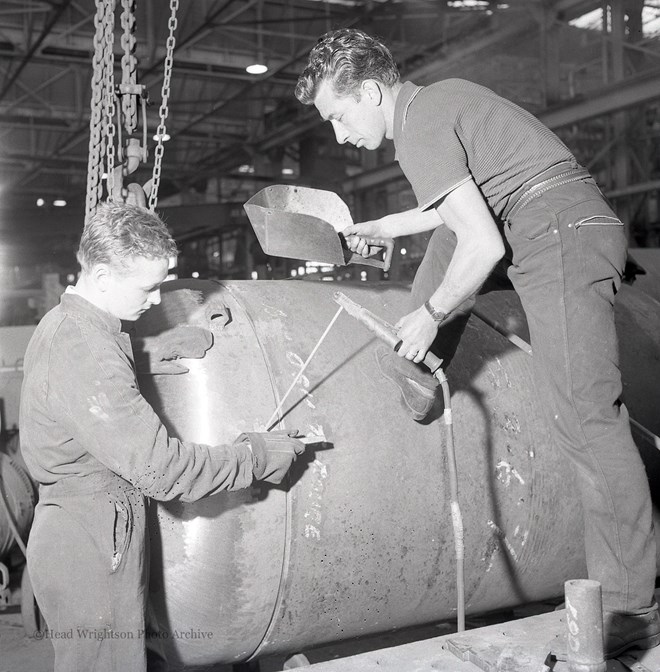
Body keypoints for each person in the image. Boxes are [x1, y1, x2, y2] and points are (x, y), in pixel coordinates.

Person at [295, 28, 659, 659]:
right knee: (445, 245)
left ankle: (632, 604)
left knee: (586, 418)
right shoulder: (432, 106)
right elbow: (452, 211)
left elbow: (483, 243)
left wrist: (432, 313)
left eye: (337, 114)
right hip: (538, 218)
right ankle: (413, 371)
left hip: (558, 230)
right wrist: (381, 227)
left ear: (373, 91)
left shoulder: (425, 122)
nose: (337, 135)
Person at [19, 202, 305, 672]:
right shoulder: (85, 349)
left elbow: (85, 381)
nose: (156, 300)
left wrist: (146, 352)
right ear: (105, 275)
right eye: (148, 287)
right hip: (90, 543)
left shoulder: (74, 325)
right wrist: (256, 455)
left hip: (93, 526)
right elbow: (165, 471)